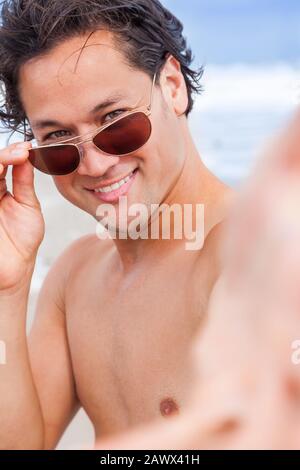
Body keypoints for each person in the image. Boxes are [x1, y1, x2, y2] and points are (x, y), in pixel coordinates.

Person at [0, 0, 234, 449]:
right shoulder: (75, 275)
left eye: (114, 121)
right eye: (59, 141)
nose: (95, 164)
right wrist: (7, 289)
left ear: (171, 87)